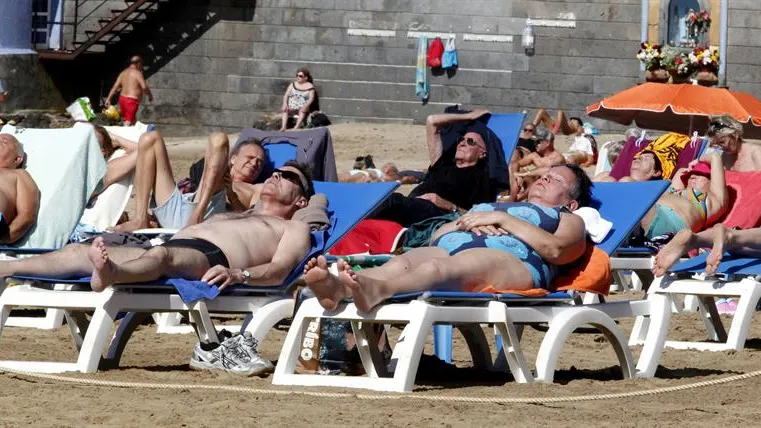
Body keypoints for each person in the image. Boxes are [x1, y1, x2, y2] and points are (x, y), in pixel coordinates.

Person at [0, 162, 315, 377]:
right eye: (275, 172)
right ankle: (8, 268)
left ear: (301, 201)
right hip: (168, 249)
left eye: (288, 177)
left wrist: (240, 275)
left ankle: (112, 273)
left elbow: (279, 269)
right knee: (78, 251)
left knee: (163, 256)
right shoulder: (236, 213)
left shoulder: (293, 228)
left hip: (213, 260)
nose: (276, 176)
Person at [305, 164, 593, 313]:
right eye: (544, 175)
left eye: (556, 180)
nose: (543, 179)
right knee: (401, 263)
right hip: (454, 245)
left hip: (513, 261)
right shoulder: (496, 204)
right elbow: (437, 236)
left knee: (438, 270)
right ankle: (339, 290)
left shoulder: (568, 218)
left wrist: (504, 221)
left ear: (571, 202)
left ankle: (376, 290)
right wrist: (465, 223)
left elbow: (557, 251)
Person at [115, 130, 267, 232]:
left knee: (219, 138)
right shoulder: (216, 167)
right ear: (232, 158)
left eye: (260, 162)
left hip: (207, 212)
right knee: (150, 138)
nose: (254, 164)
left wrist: (230, 193)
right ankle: (140, 218)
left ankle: (198, 212)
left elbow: (248, 218)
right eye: (250, 158)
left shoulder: (257, 189)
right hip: (182, 205)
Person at [371, 109, 498, 227]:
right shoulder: (442, 163)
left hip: (436, 214)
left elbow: (480, 215)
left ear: (483, 153)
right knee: (377, 199)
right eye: (461, 139)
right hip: (409, 206)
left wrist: (449, 205)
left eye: (470, 141)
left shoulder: (482, 176)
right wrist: (468, 116)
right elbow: (432, 121)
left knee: (386, 202)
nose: (462, 143)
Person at [640, 152, 727, 241]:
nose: (692, 177)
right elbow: (681, 171)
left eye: (700, 175)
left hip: (665, 222)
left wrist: (697, 160)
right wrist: (689, 169)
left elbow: (715, 157)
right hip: (649, 211)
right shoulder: (676, 191)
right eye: (690, 175)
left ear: (712, 182)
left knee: (638, 204)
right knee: (626, 180)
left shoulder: (713, 201)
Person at [0, 134, 39, 244]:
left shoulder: (19, 175)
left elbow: (27, 215)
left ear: (17, 159)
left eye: (4, 142)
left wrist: (5, 240)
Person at [104, 55, 153, 126]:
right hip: (132, 101)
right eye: (142, 64)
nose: (142, 67)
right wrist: (150, 95)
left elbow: (115, 86)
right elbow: (144, 86)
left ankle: (135, 135)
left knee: (132, 120)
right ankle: (121, 136)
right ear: (138, 63)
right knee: (128, 122)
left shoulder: (123, 73)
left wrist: (108, 99)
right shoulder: (137, 73)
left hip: (122, 99)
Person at [594, 150, 664, 182]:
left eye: (646, 158)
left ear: (656, 172)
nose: (638, 158)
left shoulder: (658, 189)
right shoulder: (607, 176)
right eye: (636, 158)